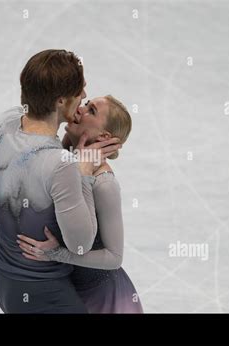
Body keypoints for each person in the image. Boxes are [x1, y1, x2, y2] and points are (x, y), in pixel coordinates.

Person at [0, 49, 121, 313]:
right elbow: (80, 244)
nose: (83, 97)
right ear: (61, 101)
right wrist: (83, 171)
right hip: (44, 294)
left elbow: (35, 163)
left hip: (3, 278)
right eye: (79, 91)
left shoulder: (4, 125)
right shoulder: (63, 166)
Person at [17, 95, 143, 313]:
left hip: (103, 300)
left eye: (91, 110)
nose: (80, 110)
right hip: (66, 290)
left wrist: (57, 254)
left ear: (104, 136)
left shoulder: (104, 185)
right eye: (85, 104)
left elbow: (114, 258)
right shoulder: (65, 156)